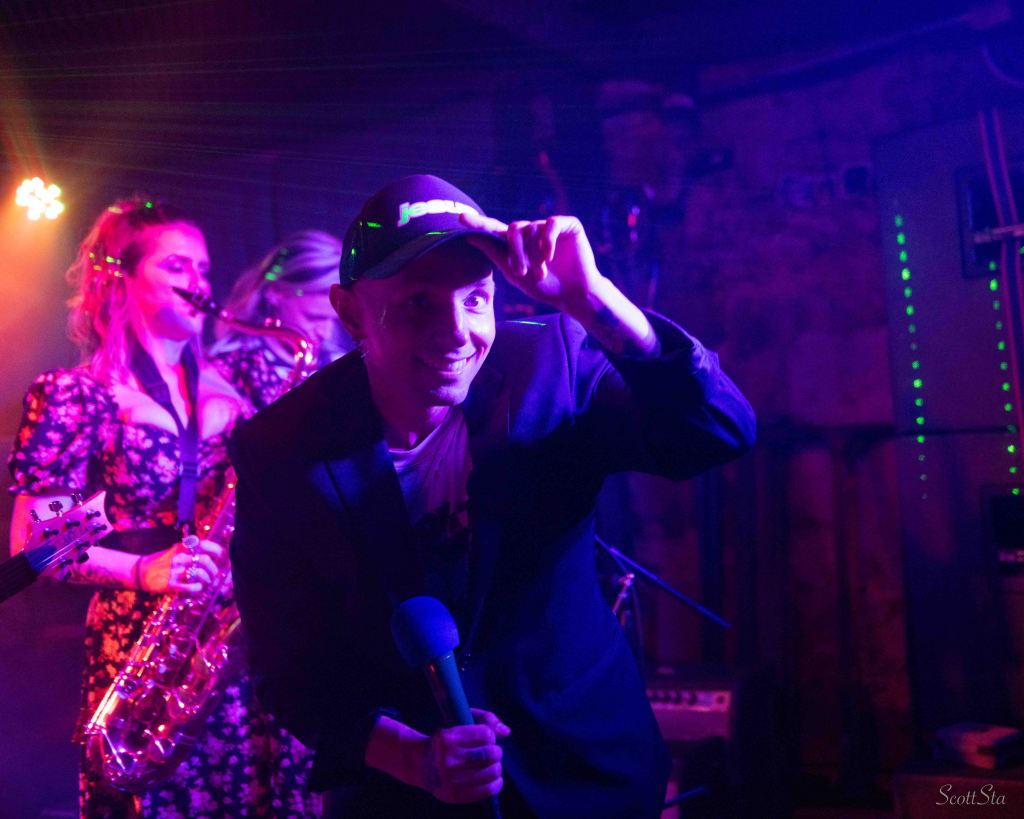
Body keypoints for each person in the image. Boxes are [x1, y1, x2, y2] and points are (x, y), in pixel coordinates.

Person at [228, 174, 756, 818]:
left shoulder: (553, 361)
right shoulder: (281, 448)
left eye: (476, 299)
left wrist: (593, 298)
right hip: (403, 800)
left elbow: (719, 432)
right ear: (350, 312)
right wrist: (412, 757)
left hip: (582, 774)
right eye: (418, 303)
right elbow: (290, 667)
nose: (457, 332)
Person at [7, 197, 320, 817]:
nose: (198, 283)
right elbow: (39, 543)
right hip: (143, 646)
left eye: (202, 269)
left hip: (238, 635)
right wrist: (142, 569)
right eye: (176, 267)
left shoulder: (245, 384)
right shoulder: (80, 395)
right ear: (117, 278)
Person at [210, 229, 351, 410]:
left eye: (332, 320)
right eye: (313, 318)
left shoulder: (337, 363)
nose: (325, 333)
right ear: (275, 293)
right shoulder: (231, 367)